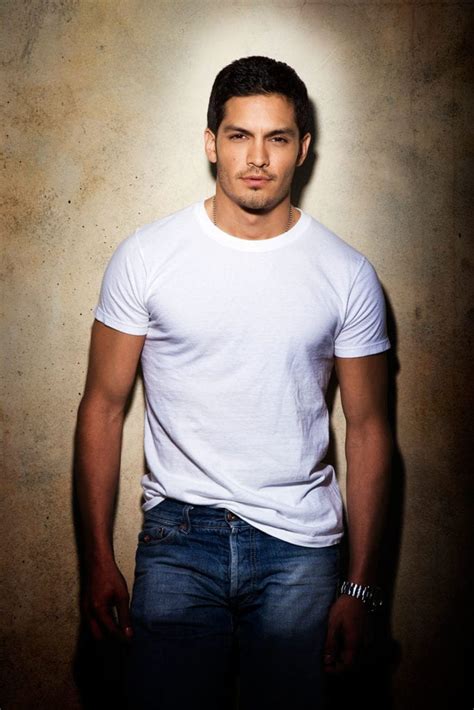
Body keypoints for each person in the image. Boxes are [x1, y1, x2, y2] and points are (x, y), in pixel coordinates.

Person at [74, 55, 392, 710]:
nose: (257, 157)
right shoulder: (147, 257)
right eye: (240, 135)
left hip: (300, 547)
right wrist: (96, 560)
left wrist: (361, 589)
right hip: (177, 538)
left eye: (277, 138)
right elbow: (102, 407)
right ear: (211, 142)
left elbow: (369, 430)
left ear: (303, 148)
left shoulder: (347, 273)